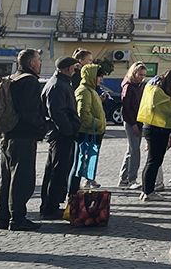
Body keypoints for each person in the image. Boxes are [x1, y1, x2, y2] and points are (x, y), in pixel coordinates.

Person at [0, 49, 47, 231]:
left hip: (7, 134)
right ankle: (18, 217)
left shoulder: (13, 78)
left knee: (7, 177)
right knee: (22, 178)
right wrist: (42, 127)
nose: (40, 63)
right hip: (23, 135)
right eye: (39, 60)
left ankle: (2, 217)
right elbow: (30, 111)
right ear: (32, 63)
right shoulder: (30, 81)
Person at [40, 57, 81, 219]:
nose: (75, 70)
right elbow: (57, 113)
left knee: (55, 170)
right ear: (67, 69)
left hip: (60, 133)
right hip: (61, 134)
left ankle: (50, 204)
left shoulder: (60, 82)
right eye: (74, 67)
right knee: (58, 171)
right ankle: (51, 206)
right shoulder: (57, 85)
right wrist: (69, 130)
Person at [140, 70, 171, 200]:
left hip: (149, 126)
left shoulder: (152, 87)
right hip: (158, 128)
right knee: (154, 161)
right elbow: (168, 111)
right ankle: (149, 191)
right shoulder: (161, 94)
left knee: (151, 161)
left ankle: (146, 190)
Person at [72, 63, 108, 191]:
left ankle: (88, 181)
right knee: (80, 163)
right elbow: (83, 115)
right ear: (92, 76)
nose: (101, 79)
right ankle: (73, 193)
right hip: (87, 132)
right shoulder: (84, 91)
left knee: (90, 160)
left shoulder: (92, 90)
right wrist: (98, 123)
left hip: (94, 132)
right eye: (99, 77)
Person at [118, 62, 148, 189]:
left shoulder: (139, 85)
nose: (142, 77)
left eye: (144, 75)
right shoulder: (129, 86)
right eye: (140, 74)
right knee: (135, 150)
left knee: (131, 150)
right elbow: (126, 108)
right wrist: (134, 124)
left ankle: (123, 178)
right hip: (132, 121)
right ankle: (132, 179)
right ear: (133, 73)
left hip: (138, 121)